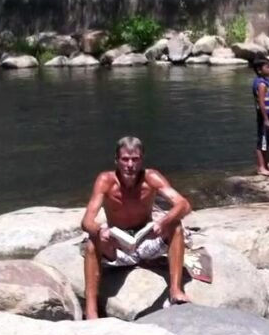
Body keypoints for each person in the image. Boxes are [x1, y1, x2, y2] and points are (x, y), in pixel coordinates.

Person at [80, 136, 192, 320]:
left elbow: (183, 204)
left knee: (176, 226)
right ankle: (91, 311)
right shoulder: (105, 181)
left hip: (145, 243)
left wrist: (164, 221)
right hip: (118, 247)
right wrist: (100, 230)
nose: (130, 164)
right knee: (92, 242)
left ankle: (175, 290)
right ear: (116, 160)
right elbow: (86, 221)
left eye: (135, 159)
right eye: (125, 159)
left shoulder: (151, 177)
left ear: (142, 159)